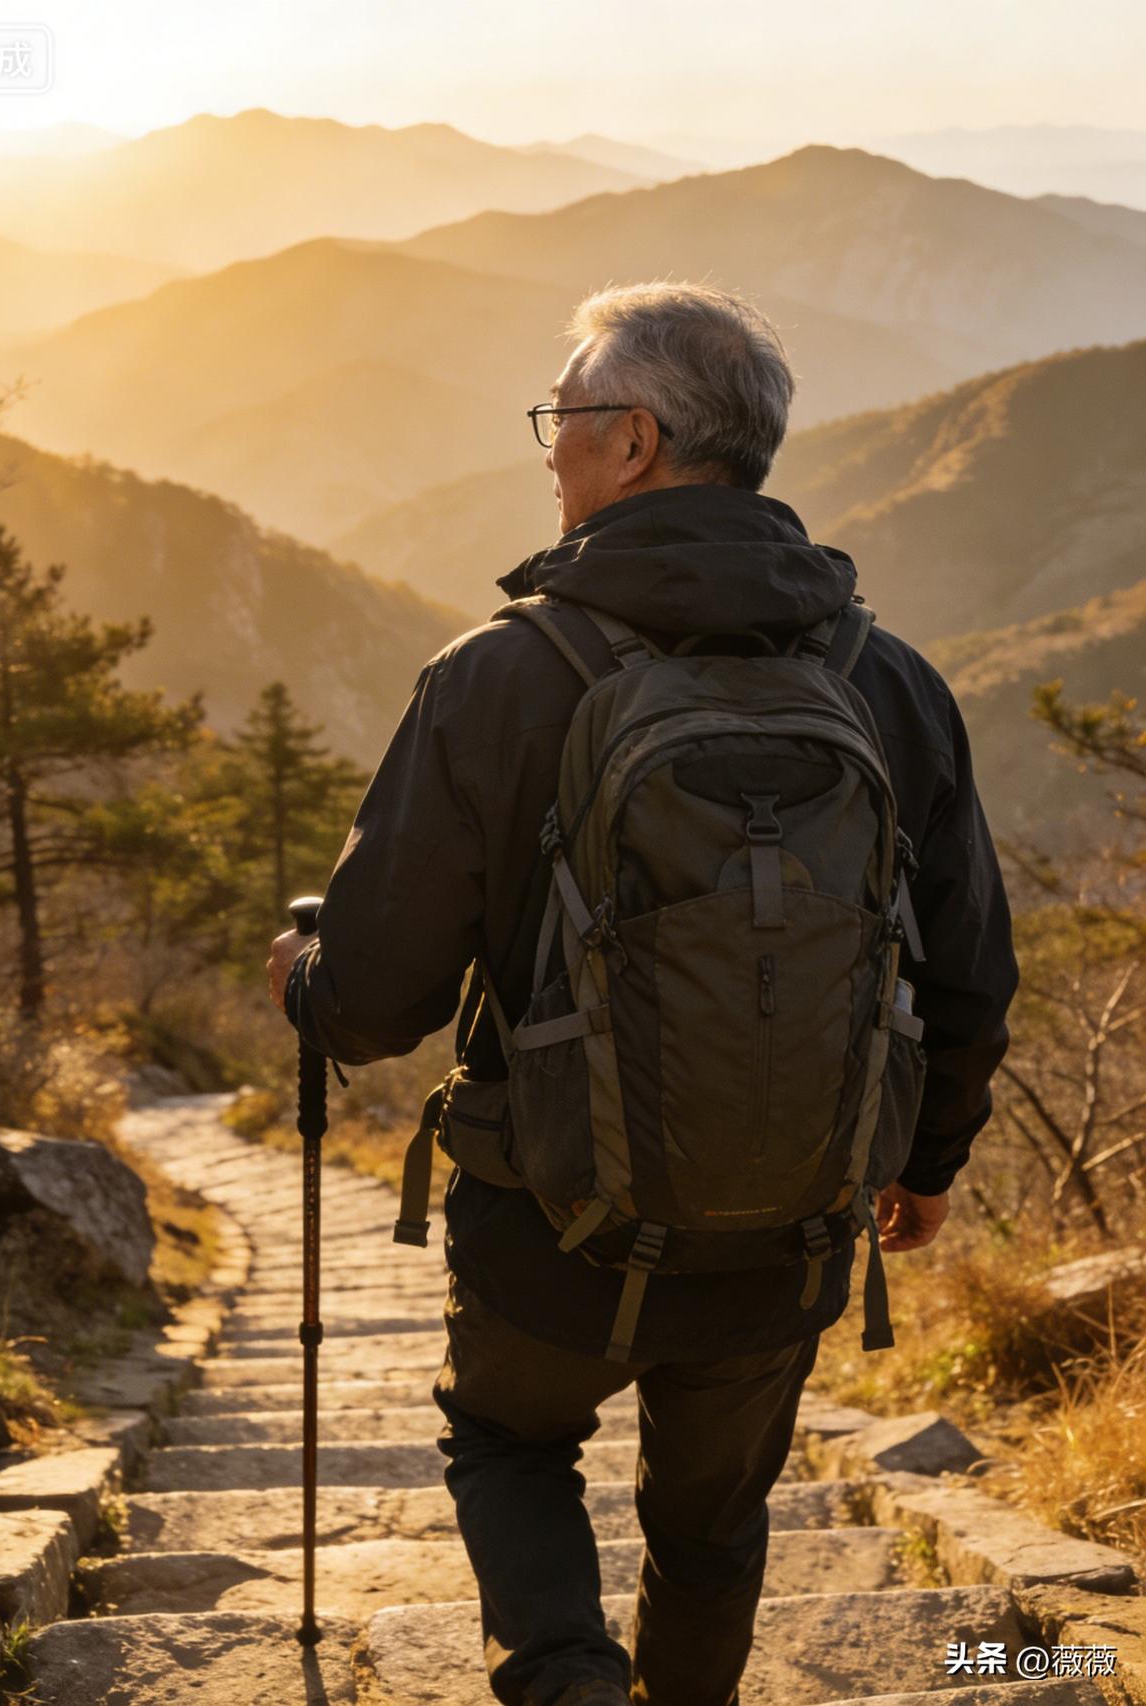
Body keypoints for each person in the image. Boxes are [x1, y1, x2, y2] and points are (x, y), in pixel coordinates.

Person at [267, 281, 1018, 1706]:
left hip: (547, 1225)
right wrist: (924, 1167)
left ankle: (563, 1682)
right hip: (787, 1230)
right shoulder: (890, 682)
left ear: (636, 441)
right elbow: (973, 967)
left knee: (505, 1442)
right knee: (715, 1526)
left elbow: (372, 1003)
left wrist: (304, 975)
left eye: (563, 418)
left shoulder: (500, 676)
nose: (548, 447)